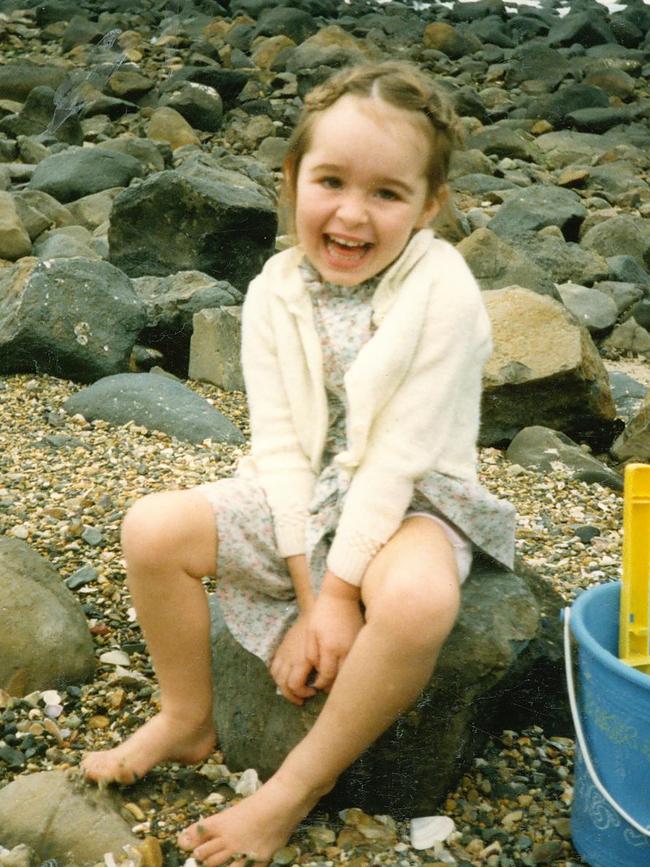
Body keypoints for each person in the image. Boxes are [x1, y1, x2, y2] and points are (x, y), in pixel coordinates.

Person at [82, 61, 516, 866]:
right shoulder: (274, 289)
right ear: (292, 180)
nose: (352, 213)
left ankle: (292, 790)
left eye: (387, 193)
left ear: (429, 205)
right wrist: (315, 597)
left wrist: (347, 592)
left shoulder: (443, 285)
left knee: (419, 602)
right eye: (331, 181)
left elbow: (398, 454)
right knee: (151, 528)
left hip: (416, 496)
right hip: (304, 497)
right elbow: (279, 447)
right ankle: (186, 716)